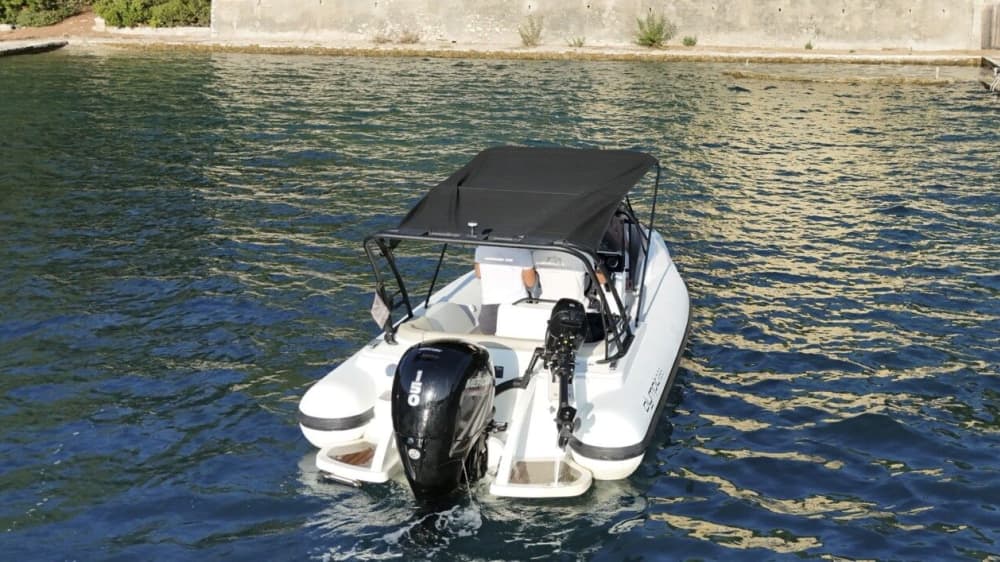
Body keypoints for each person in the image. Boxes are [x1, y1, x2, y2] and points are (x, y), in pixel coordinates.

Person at [474, 246, 537, 335]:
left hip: (489, 315)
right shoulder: (523, 251)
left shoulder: (481, 248)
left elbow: (478, 274)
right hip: (517, 309)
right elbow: (530, 283)